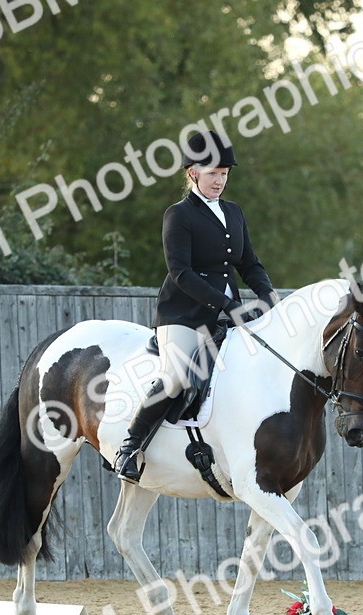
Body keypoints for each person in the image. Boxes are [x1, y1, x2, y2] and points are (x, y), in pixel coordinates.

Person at [114, 131, 281, 483]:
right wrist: (226, 304)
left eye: (224, 173)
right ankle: (129, 447)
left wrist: (267, 295)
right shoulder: (178, 215)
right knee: (176, 378)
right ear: (193, 173)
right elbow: (180, 272)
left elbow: (249, 263)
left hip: (226, 313)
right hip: (183, 316)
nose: (219, 180)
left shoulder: (234, 213)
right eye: (212, 173)